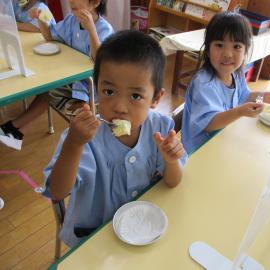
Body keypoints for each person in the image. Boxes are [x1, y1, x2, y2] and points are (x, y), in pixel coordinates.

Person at [42, 30, 185, 247]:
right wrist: (73, 144)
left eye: (135, 96)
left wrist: (171, 160)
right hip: (95, 238)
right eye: (108, 92)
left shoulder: (160, 128)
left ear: (156, 98)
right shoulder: (84, 139)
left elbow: (173, 181)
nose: (119, 107)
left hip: (143, 230)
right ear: (96, 89)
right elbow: (57, 191)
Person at [0, 0, 113, 150]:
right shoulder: (71, 20)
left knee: (49, 89)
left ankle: (14, 128)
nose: (71, 1)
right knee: (46, 85)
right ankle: (15, 130)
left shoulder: (104, 28)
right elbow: (49, 36)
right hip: (71, 78)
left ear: (95, 2)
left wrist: (91, 30)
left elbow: (101, 62)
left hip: (90, 85)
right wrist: (40, 20)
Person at [181, 12, 270, 155]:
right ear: (208, 50)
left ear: (245, 50)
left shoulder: (236, 74)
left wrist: (261, 96)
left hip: (223, 140)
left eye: (236, 46)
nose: (228, 54)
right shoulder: (203, 83)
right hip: (198, 150)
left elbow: (244, 96)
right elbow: (209, 124)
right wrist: (239, 111)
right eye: (219, 45)